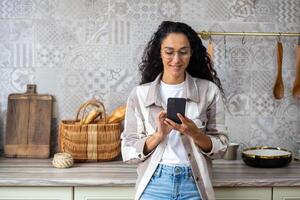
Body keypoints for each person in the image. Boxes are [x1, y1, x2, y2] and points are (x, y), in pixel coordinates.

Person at [121, 21, 229, 200]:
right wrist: (157, 136)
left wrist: (196, 134)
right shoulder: (140, 94)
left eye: (183, 52)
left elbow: (222, 147)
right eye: (169, 52)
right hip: (154, 184)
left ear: (191, 53)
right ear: (160, 53)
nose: (176, 60)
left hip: (194, 185)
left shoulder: (209, 91)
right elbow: (128, 151)